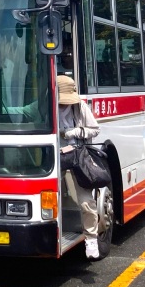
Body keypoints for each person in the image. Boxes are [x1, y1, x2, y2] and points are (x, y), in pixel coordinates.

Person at [56, 74, 103, 260]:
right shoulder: (46, 107)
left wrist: (73, 132)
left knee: (86, 201)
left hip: (76, 156)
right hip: (54, 158)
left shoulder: (79, 106)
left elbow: (95, 129)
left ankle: (91, 239)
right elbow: (21, 110)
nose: (64, 104)